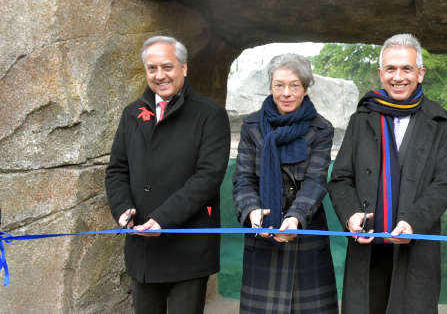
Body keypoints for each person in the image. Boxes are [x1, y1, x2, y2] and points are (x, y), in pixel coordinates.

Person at [328, 33, 447, 314]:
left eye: (407, 69)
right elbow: (340, 178)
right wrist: (351, 215)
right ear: (380, 73)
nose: (398, 76)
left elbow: (444, 184)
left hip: (416, 243)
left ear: (420, 73)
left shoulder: (444, 123)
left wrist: (412, 221)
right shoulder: (360, 119)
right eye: (391, 69)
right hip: (367, 245)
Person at [105, 36, 231, 314]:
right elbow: (117, 170)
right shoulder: (132, 114)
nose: (159, 75)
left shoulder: (210, 115)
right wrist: (122, 208)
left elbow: (208, 177)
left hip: (188, 248)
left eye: (167, 66)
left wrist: (162, 219)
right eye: (152, 68)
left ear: (183, 68)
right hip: (143, 250)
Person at [232, 53, 337, 314]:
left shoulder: (321, 128)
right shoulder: (252, 125)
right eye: (279, 85)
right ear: (270, 86)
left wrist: (296, 217)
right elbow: (243, 178)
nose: (286, 93)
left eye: (294, 85)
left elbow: (315, 181)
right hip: (262, 231)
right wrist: (252, 212)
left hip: (305, 231)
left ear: (305, 87)